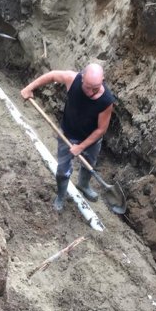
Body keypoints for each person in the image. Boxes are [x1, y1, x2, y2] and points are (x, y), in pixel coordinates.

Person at [21, 63, 114, 211]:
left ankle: (83, 185)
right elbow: (52, 75)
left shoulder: (106, 101)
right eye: (88, 87)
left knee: (89, 164)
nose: (91, 92)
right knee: (62, 170)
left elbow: (101, 129)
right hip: (68, 134)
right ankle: (61, 195)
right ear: (82, 77)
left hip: (91, 139)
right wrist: (30, 87)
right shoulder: (72, 80)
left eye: (95, 88)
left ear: (102, 80)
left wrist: (81, 146)